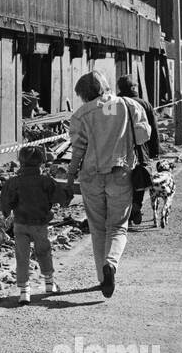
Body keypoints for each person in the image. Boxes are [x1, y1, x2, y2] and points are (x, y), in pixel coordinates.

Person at [65, 71, 151, 299]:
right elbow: (144, 136)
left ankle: (102, 279)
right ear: (105, 85)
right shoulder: (128, 105)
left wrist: (70, 176)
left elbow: (78, 150)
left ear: (83, 94)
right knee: (118, 227)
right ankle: (111, 264)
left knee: (97, 228)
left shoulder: (81, 114)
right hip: (120, 172)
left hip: (91, 176)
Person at [0, 145, 73, 304]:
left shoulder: (14, 182)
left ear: (21, 162)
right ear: (41, 163)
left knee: (22, 256)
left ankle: (24, 291)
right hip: (40, 225)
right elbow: (61, 197)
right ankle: (49, 284)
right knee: (44, 252)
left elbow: (6, 201)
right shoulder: (46, 181)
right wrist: (68, 192)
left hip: (20, 225)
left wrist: (7, 213)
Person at [116, 75, 161, 227]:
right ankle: (136, 206)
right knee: (140, 177)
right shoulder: (145, 104)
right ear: (134, 88)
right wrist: (155, 150)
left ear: (120, 88)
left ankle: (125, 210)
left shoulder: (113, 103)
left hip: (119, 148)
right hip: (141, 149)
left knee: (122, 179)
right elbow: (153, 129)